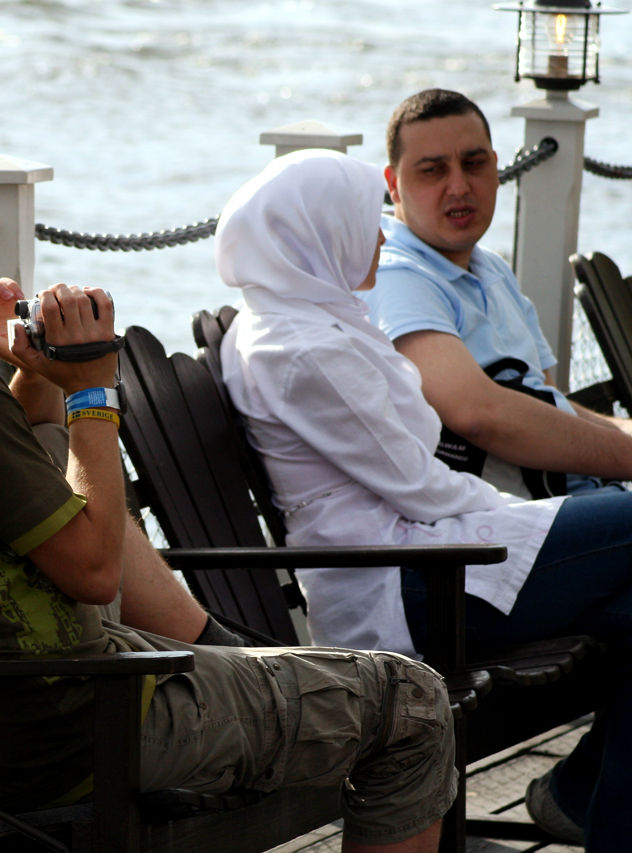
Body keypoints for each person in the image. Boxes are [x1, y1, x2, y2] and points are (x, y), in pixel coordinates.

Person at [0, 176, 457, 852]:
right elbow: (96, 571)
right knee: (414, 702)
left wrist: (38, 369)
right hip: (88, 729)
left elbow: (25, 469)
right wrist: (93, 389)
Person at [218, 148, 632, 851]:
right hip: (406, 584)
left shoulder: (306, 319)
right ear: (320, 231)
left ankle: (586, 804)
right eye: (364, 221)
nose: (382, 235)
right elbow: (420, 487)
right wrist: (529, 515)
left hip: (426, 557)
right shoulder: (300, 349)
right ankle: (584, 802)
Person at [362, 87, 632, 498]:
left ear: (495, 166)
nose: (458, 186)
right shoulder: (394, 276)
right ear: (393, 184)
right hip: (499, 525)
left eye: (473, 164)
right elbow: (478, 415)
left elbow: (547, 399)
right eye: (433, 171)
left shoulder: (490, 268)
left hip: (567, 500)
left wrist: (623, 432)